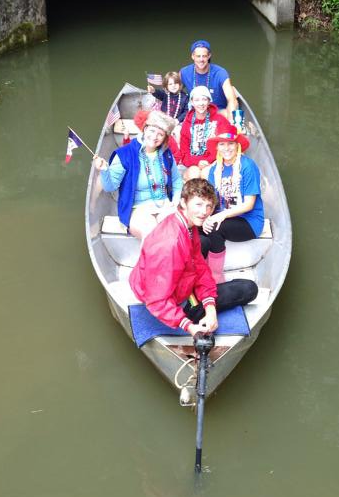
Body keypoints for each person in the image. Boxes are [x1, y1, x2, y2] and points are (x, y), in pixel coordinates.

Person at [129, 178, 258, 336]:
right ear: (183, 203)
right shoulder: (170, 244)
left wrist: (210, 307)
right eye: (198, 204)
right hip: (163, 302)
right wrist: (190, 326)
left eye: (209, 206)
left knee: (203, 245)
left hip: (172, 285)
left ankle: (201, 304)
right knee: (249, 289)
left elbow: (199, 266)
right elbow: (156, 300)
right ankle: (190, 312)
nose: (204, 212)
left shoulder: (187, 225)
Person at [93, 110, 181, 239]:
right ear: (145, 129)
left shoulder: (166, 154)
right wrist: (105, 169)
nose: (154, 136)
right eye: (152, 131)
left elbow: (177, 179)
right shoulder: (125, 154)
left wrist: (175, 201)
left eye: (160, 134)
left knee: (176, 234)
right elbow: (109, 187)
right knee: (152, 236)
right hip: (138, 210)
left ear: (165, 138)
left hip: (165, 206)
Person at [200, 126, 265, 283]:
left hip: (248, 221)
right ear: (217, 147)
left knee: (216, 228)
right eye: (221, 144)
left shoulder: (247, 166)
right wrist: (205, 217)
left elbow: (249, 204)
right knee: (197, 227)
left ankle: (215, 277)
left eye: (230, 143)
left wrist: (218, 217)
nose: (226, 148)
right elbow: (212, 201)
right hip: (223, 214)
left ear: (237, 145)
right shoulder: (214, 170)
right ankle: (198, 272)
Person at [177, 86, 231, 180]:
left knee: (207, 174)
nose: (201, 103)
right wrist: (197, 162)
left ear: (209, 101)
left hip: (215, 160)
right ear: (192, 102)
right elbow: (184, 152)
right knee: (194, 174)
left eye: (204, 99)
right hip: (194, 162)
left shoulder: (220, 120)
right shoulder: (187, 123)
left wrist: (209, 161)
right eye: (197, 100)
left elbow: (227, 144)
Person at [180, 39, 238, 116]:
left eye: (204, 56)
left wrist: (231, 121)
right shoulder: (184, 72)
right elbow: (172, 90)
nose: (201, 59)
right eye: (198, 56)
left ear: (209, 56)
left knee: (227, 112)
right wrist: (160, 85)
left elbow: (232, 100)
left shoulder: (220, 73)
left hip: (217, 113)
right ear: (192, 56)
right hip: (195, 113)